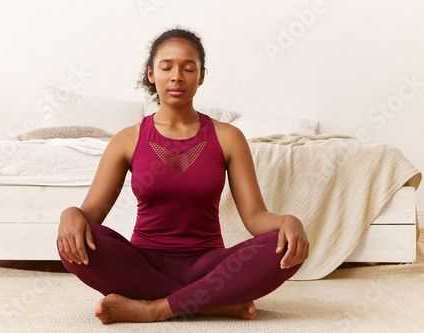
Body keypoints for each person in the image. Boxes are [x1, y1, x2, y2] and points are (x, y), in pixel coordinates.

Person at [57, 27, 309, 325]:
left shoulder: (228, 137)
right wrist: (70, 213)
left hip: (209, 265)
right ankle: (210, 303)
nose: (177, 76)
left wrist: (288, 222)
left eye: (189, 68)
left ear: (201, 76)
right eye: (166, 68)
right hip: (144, 264)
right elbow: (93, 214)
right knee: (78, 242)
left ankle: (153, 308)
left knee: (280, 248)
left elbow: (255, 218)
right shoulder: (127, 140)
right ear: (151, 74)